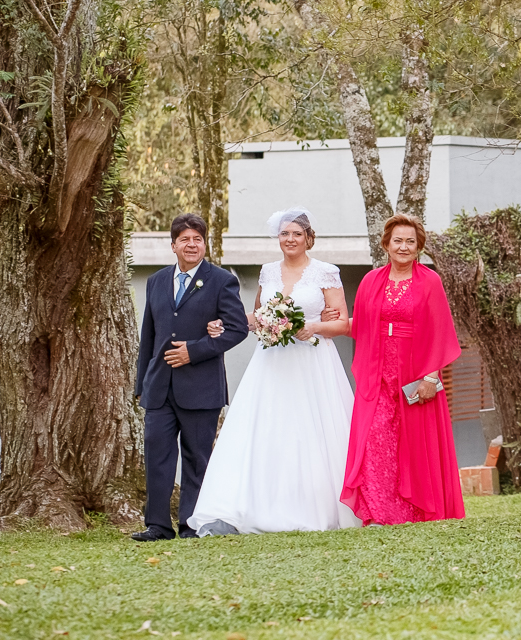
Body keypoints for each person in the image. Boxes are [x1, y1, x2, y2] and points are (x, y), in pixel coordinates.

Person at [187, 208, 363, 535]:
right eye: (284, 234)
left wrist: (313, 326)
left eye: (297, 233)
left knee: (313, 432)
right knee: (266, 429)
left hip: (312, 362)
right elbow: (257, 316)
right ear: (278, 238)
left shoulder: (326, 272)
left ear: (309, 238)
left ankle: (318, 509)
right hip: (271, 362)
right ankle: (256, 508)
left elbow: (341, 322)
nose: (290, 239)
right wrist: (227, 323)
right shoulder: (268, 272)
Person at [341, 214, 466, 525]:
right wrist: (325, 325)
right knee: (375, 441)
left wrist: (430, 377)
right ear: (386, 244)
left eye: (410, 241)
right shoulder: (371, 281)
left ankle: (416, 513)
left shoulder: (430, 282)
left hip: (415, 374)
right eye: (398, 240)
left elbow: (440, 331)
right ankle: (381, 514)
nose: (403, 246)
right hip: (377, 374)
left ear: (418, 246)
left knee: (414, 447)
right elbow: (363, 326)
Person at [134, 214, 249, 542]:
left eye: (197, 239)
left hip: (201, 386)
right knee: (156, 455)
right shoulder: (156, 281)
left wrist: (194, 351)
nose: (191, 244)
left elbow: (237, 328)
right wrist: (141, 385)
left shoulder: (221, 280)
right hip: (158, 387)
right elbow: (150, 335)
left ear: (204, 244)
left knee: (197, 459)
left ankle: (190, 525)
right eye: (185, 239)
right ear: (173, 245)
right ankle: (157, 525)